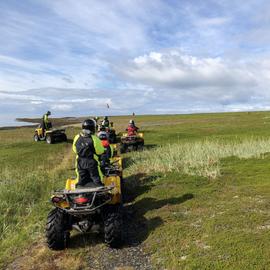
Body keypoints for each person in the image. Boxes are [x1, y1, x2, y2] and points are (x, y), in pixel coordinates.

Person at [72, 119, 105, 187]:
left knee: (81, 178)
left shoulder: (77, 137)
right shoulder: (94, 139)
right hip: (91, 162)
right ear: (92, 128)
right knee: (96, 178)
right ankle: (100, 189)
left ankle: (80, 189)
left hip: (79, 162)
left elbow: (74, 149)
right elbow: (100, 151)